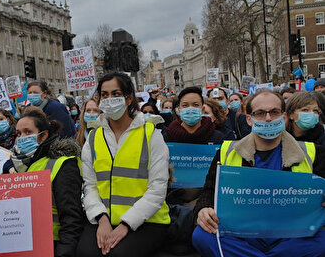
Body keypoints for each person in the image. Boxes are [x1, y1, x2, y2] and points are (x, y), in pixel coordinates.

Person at [192, 89, 325, 257]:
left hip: (291, 235)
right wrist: (203, 210)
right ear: (249, 119)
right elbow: (208, 192)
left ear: (284, 117)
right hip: (242, 234)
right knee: (201, 236)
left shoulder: (314, 153)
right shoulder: (226, 152)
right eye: (260, 113)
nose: (268, 118)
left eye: (274, 112)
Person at [77, 72, 170, 257]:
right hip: (104, 218)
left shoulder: (150, 134)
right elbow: (90, 186)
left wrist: (126, 224)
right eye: (104, 94)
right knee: (85, 253)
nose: (109, 99)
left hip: (147, 221)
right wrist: (101, 219)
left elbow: (157, 189)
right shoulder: (94, 137)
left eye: (116, 94)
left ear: (129, 99)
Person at [11, 107, 84, 257]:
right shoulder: (22, 166)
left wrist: (63, 253)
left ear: (43, 135)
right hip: (28, 245)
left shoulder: (63, 165)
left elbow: (72, 219)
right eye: (18, 133)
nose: (22, 137)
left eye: (28, 132)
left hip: (54, 245)